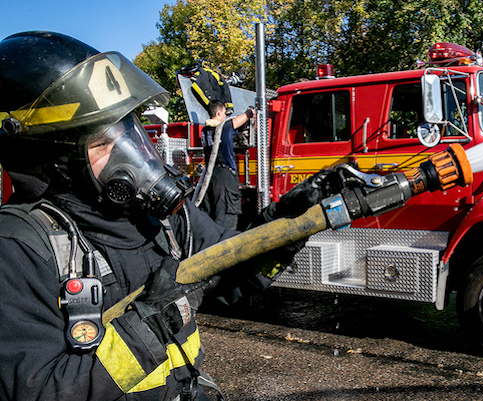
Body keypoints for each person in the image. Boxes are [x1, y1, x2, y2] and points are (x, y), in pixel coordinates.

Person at [0, 31, 324, 401]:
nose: (133, 152)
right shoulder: (19, 250)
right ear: (52, 161)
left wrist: (287, 226)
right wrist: (151, 321)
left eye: (129, 130)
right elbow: (41, 392)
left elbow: (228, 273)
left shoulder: (163, 217)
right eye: (103, 143)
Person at [197, 100, 252, 230]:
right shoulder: (224, 127)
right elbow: (244, 117)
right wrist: (252, 111)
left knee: (211, 216)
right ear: (219, 112)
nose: (226, 116)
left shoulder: (204, 130)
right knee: (227, 219)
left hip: (210, 177)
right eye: (225, 113)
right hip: (224, 178)